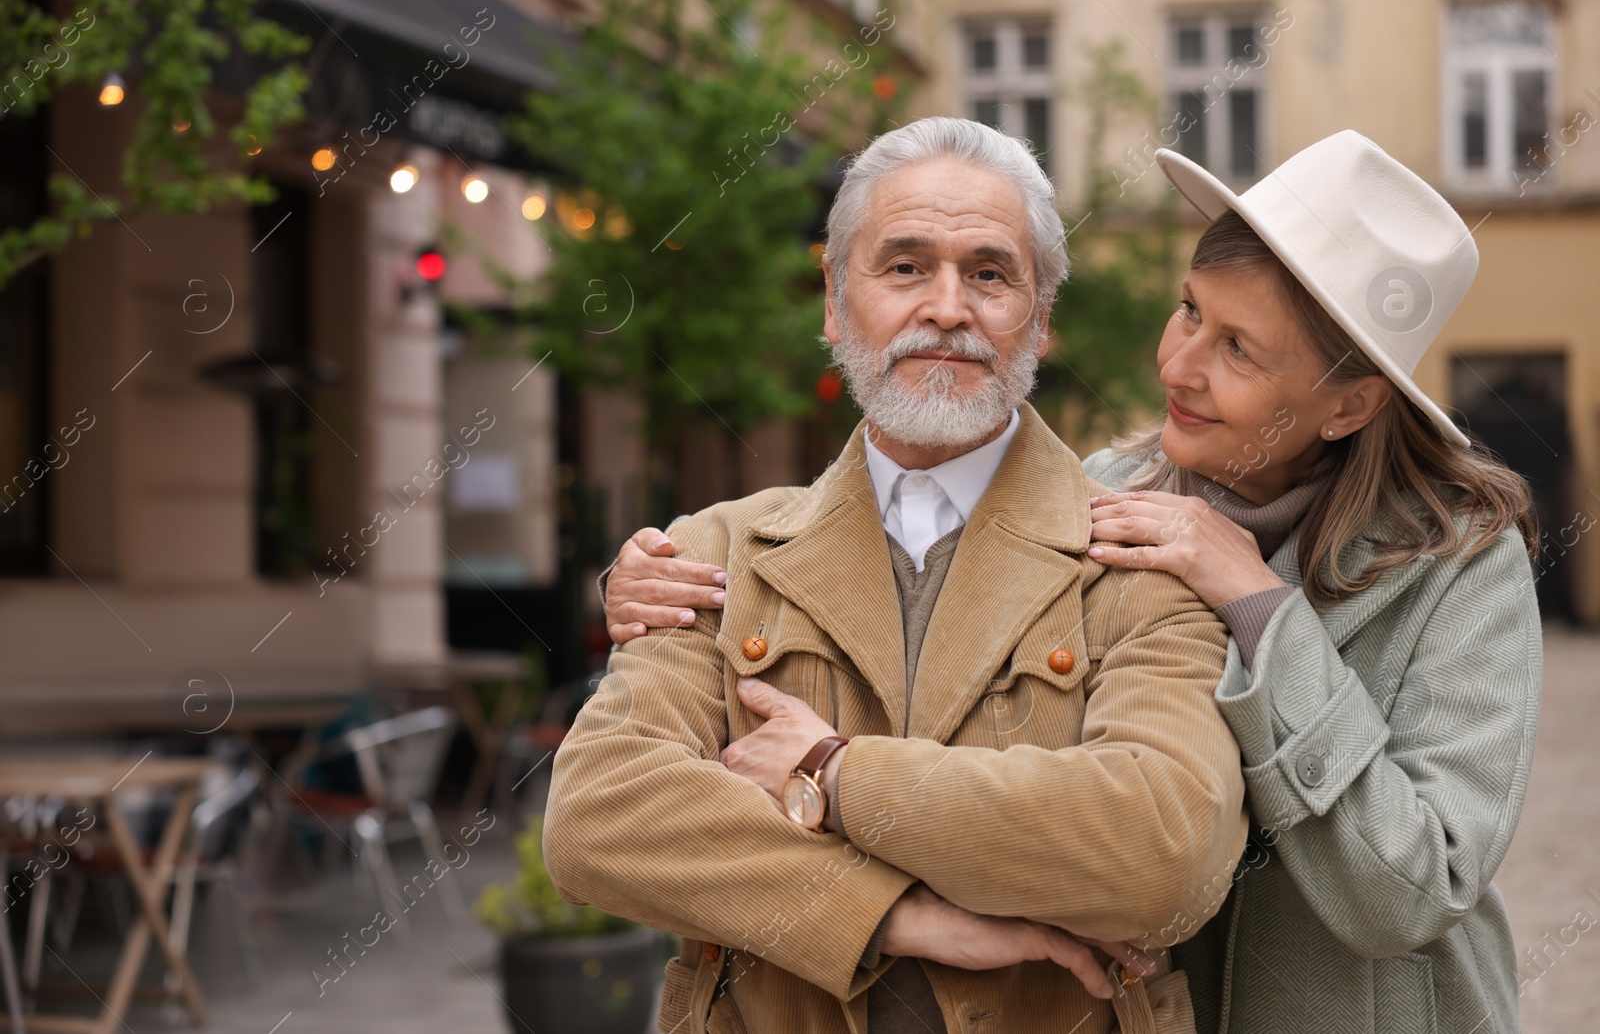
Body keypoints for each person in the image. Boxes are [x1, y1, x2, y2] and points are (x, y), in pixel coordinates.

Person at [600, 129, 1543, 1034]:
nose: (1178, 364)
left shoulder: (1459, 563)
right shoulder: (1111, 499)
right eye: (1189, 310)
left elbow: (1412, 887)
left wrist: (1259, 608)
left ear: (1351, 403)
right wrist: (647, 581)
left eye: (1239, 350)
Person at [544, 116, 1249, 1034]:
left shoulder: (1142, 557)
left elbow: (1164, 856)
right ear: (836, 302)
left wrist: (831, 774)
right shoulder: (713, 551)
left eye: (990, 274)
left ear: (1039, 322)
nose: (948, 308)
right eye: (907, 266)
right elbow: (602, 816)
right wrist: (893, 917)